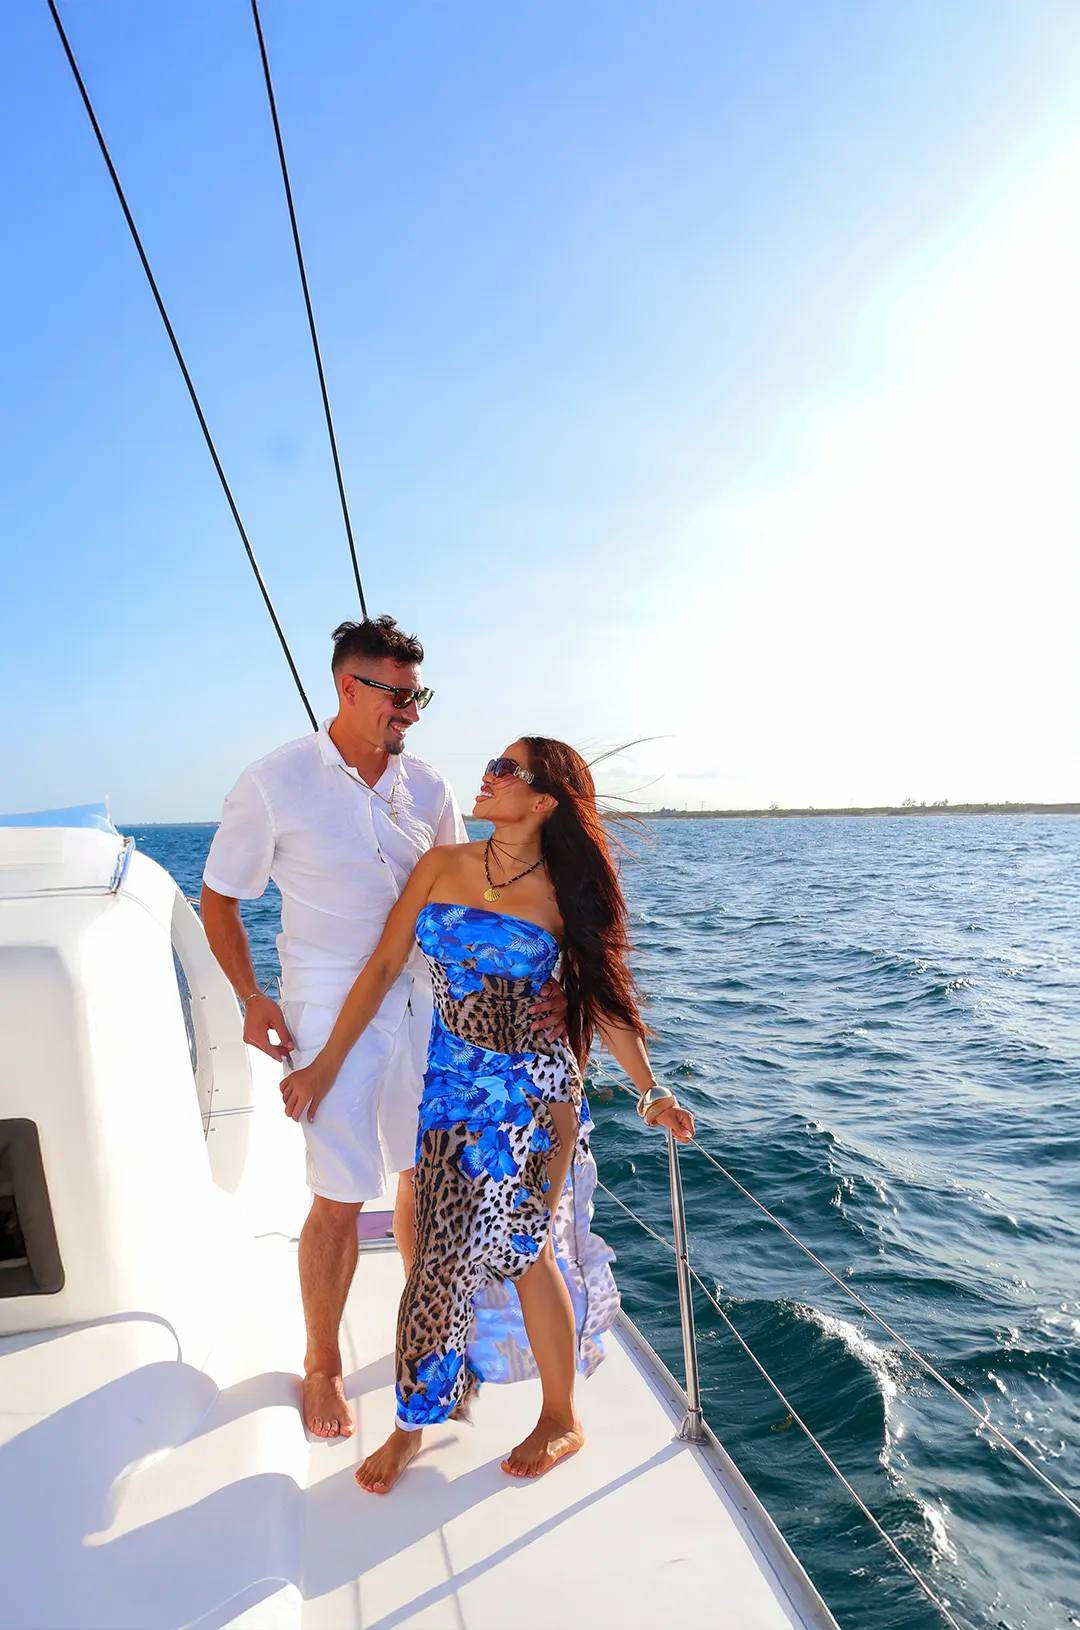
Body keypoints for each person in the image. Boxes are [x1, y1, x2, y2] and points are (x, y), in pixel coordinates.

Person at [282, 736, 695, 1491]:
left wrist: (650, 1090)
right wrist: (326, 1062)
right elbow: (380, 968)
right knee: (437, 1257)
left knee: (527, 1252)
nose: (489, 775)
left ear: (543, 802)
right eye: (492, 765)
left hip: (535, 1096)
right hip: (452, 1089)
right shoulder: (442, 867)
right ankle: (415, 1422)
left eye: (508, 770)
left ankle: (561, 1418)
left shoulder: (567, 893)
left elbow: (605, 999)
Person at [200, 617, 564, 1439]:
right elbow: (219, 896)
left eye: (417, 696)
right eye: (397, 696)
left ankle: (424, 1341)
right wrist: (251, 996)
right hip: (327, 1004)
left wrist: (561, 987)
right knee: (337, 1194)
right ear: (348, 687)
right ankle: (322, 1365)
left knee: (426, 1180)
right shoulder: (274, 784)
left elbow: (484, 891)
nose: (410, 712)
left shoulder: (430, 787)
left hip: (432, 1005)